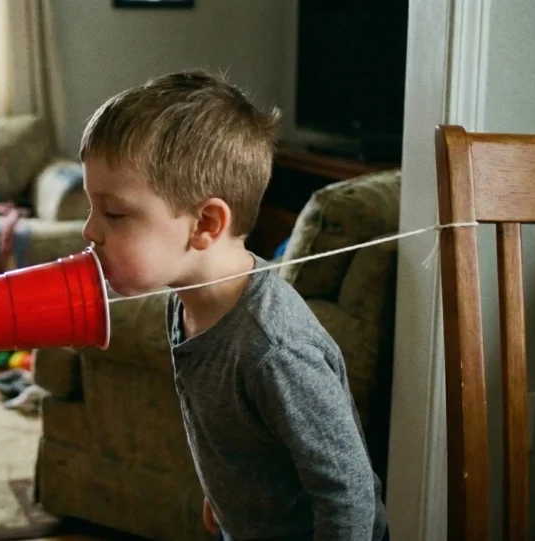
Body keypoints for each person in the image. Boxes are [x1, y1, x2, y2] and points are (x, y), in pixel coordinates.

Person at [78, 69, 388, 541]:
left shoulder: (275, 349)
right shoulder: (183, 301)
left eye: (114, 213)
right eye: (92, 208)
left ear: (205, 223)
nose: (90, 231)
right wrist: (225, 495)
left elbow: (348, 493)